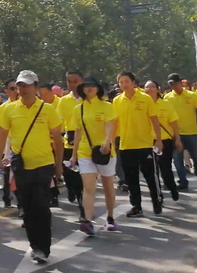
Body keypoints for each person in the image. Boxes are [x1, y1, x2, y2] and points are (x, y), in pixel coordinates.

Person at [0, 70, 63, 263]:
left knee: (41, 205)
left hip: (43, 164)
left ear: (36, 87)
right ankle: (35, 246)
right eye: (20, 86)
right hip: (21, 165)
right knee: (27, 207)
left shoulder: (47, 109)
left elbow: (58, 139)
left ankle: (44, 248)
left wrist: (58, 165)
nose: (23, 89)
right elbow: (0, 135)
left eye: (27, 85)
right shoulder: (8, 109)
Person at [68, 76, 119, 236]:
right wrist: (74, 155)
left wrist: (107, 142)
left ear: (98, 89)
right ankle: (88, 221)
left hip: (104, 152)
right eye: (86, 86)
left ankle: (110, 217)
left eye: (92, 86)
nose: (89, 88)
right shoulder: (79, 109)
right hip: (85, 151)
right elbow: (78, 133)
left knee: (108, 186)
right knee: (88, 187)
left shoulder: (107, 106)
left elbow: (109, 125)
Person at [113, 72, 164, 216]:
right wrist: (112, 141)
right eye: (121, 82)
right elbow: (114, 123)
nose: (124, 84)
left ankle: (157, 201)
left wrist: (158, 140)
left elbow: (154, 121)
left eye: (126, 81)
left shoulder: (145, 98)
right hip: (126, 146)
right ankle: (136, 206)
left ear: (133, 82)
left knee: (150, 177)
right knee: (131, 178)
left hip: (145, 145)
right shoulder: (117, 101)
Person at [146, 80, 183, 200]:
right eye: (146, 87)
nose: (149, 89)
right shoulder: (142, 104)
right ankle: (158, 195)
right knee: (152, 170)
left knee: (165, 168)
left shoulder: (166, 104)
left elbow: (174, 123)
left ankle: (172, 188)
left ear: (158, 89)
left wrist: (177, 139)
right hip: (147, 142)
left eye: (152, 87)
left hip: (164, 141)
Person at [56, 70, 85, 219]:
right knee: (69, 175)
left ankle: (84, 210)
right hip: (68, 143)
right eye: (69, 81)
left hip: (85, 144)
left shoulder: (89, 99)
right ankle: (71, 189)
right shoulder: (63, 101)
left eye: (75, 81)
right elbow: (59, 123)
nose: (72, 85)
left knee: (82, 179)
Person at [165, 73, 197, 192]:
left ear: (180, 83)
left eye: (175, 83)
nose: (173, 86)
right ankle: (183, 182)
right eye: (171, 84)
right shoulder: (167, 98)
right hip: (176, 134)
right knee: (178, 161)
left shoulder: (192, 95)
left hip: (192, 132)